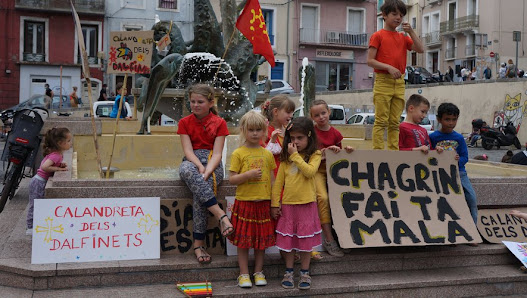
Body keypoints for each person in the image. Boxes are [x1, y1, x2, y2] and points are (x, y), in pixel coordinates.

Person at [177, 84, 234, 264]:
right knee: (186, 170)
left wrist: (208, 169)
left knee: (200, 190)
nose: (195, 105)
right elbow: (188, 151)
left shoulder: (219, 123)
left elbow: (217, 153)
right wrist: (199, 168)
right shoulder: (184, 122)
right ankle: (221, 215)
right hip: (193, 162)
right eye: (193, 101)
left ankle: (198, 244)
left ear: (211, 102)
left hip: (212, 162)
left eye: (200, 101)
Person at [271, 117, 322, 290]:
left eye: (299, 138)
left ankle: (305, 272)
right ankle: (289, 271)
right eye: (292, 138)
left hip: (307, 205)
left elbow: (309, 172)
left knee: (305, 242)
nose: (295, 142)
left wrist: (296, 157)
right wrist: (274, 204)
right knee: (289, 241)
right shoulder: (286, 158)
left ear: (309, 137)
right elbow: (278, 183)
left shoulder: (315, 154)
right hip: (288, 206)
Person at [228, 111, 276, 288]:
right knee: (243, 241)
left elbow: (273, 181)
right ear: (243, 130)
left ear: (265, 131)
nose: (255, 133)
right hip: (245, 203)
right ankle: (243, 274)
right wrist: (247, 175)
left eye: (259, 130)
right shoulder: (238, 153)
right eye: (251, 130)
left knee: (260, 242)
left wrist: (274, 203)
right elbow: (232, 179)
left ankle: (258, 271)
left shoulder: (268, 154)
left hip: (263, 204)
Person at [367, 0, 424, 150]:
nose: (398, 18)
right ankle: (378, 152)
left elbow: (421, 49)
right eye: (394, 14)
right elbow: (370, 60)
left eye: (401, 15)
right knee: (381, 120)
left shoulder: (402, 37)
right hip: (383, 81)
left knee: (394, 121)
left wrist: (411, 31)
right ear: (384, 15)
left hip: (399, 82)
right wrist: (389, 67)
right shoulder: (378, 36)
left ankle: (393, 151)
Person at [309, 100, 354, 257]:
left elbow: (340, 155)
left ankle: (343, 236)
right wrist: (325, 152)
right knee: (323, 198)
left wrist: (347, 151)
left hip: (333, 172)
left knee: (342, 199)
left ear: (328, 112)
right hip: (317, 171)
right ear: (312, 117)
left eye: (323, 113)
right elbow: (308, 156)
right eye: (316, 115)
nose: (321, 117)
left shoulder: (336, 134)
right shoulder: (311, 133)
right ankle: (329, 239)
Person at [430, 103, 479, 229]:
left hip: (459, 173)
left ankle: (472, 230)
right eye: (447, 119)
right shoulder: (433, 137)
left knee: (471, 199)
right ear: (439, 119)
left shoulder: (459, 138)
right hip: (439, 174)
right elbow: (428, 155)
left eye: (454, 119)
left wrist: (457, 161)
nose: (451, 123)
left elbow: (465, 157)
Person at [26, 127, 71, 235]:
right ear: (60, 143)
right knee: (35, 204)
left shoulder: (57, 154)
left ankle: (35, 224)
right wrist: (59, 169)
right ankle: (30, 227)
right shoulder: (56, 155)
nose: (70, 143)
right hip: (39, 182)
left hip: (39, 181)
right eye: (68, 141)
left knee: (37, 203)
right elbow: (44, 166)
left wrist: (59, 164)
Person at [261, 95, 296, 176]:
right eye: (288, 112)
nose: (291, 116)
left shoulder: (289, 129)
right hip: (274, 174)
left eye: (292, 112)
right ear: (276, 111)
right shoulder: (265, 131)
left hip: (288, 174)